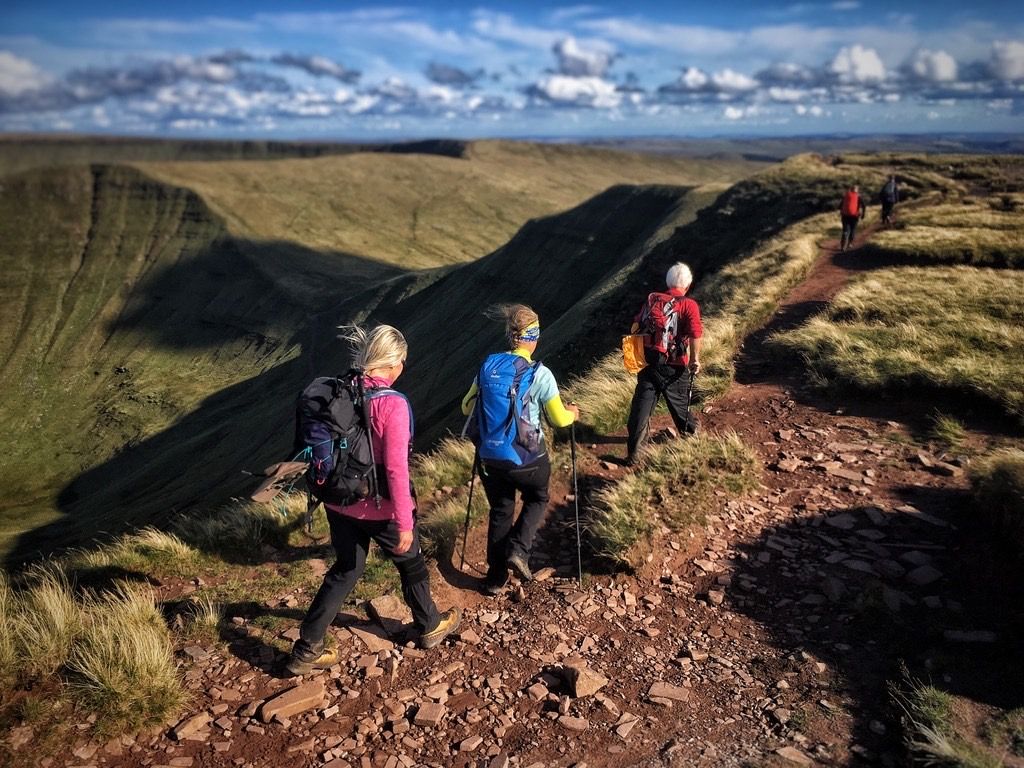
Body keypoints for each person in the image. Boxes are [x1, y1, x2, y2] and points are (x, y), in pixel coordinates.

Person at [286, 325, 461, 675]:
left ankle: (307, 648)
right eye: (402, 361)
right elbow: (396, 469)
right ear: (393, 362)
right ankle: (429, 625)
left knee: (346, 570)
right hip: (378, 509)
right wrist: (405, 522)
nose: (403, 368)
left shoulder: (340, 390)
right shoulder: (392, 404)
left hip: (338, 502)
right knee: (411, 562)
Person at [461, 304, 579, 595]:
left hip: (490, 457)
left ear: (510, 335)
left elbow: (466, 407)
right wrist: (573, 413)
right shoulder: (541, 374)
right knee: (538, 497)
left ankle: (495, 579)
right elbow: (559, 420)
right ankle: (518, 548)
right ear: (534, 337)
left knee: (501, 510)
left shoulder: (488, 366)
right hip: (527, 459)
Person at [625, 262, 703, 466]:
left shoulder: (652, 299)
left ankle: (635, 454)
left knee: (642, 405)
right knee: (679, 405)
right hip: (674, 365)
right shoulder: (689, 305)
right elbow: (695, 334)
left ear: (668, 282)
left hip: (648, 361)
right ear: (688, 285)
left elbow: (636, 324)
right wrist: (695, 359)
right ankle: (694, 442)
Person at [839, 184, 866, 252]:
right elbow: (864, 206)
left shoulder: (846, 196)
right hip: (854, 216)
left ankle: (842, 246)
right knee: (853, 230)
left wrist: (842, 212)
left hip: (845, 216)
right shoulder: (858, 197)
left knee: (845, 230)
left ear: (851, 190)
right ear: (857, 190)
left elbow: (839, 206)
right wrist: (863, 214)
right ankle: (849, 243)